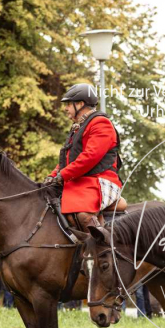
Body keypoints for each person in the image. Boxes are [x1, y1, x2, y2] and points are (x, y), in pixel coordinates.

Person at [43, 83, 124, 230]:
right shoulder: (79, 127)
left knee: (82, 215)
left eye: (68, 104)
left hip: (100, 181)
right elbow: (67, 160)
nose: (66, 108)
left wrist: (63, 175)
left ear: (80, 104)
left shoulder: (101, 123)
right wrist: (52, 176)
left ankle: (104, 248)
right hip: (82, 181)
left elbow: (90, 157)